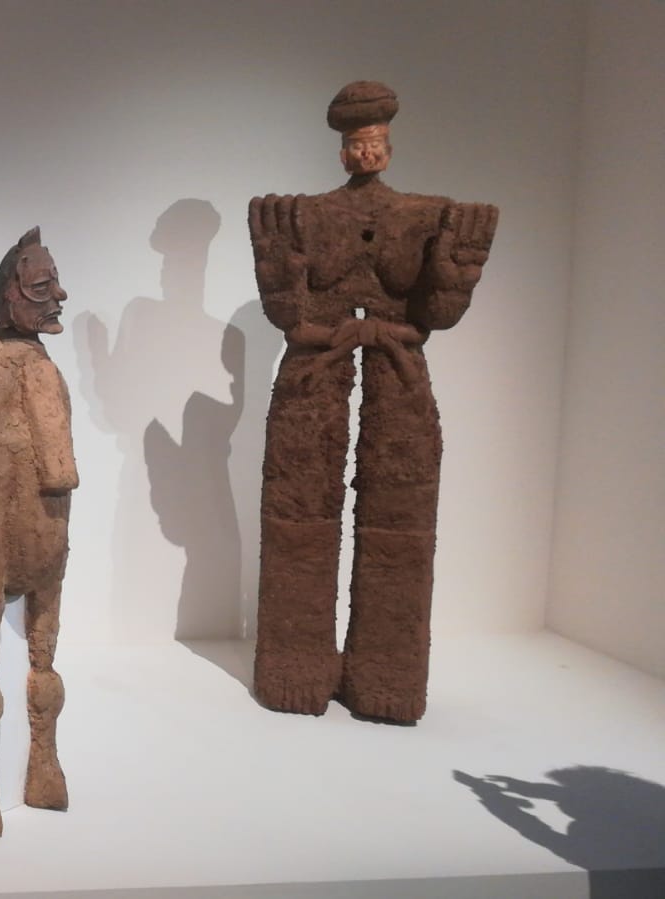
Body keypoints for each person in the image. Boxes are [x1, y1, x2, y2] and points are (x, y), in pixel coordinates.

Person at [248, 81, 498, 723]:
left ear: (389, 145)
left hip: (399, 369)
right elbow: (290, 315)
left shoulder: (426, 215)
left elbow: (436, 315)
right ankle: (294, 664)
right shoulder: (307, 215)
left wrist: (459, 276)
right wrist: (277, 276)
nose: (367, 153)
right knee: (298, 510)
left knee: (401, 515)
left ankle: (388, 675)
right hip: (315, 368)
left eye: (376, 142)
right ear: (343, 151)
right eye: (357, 143)